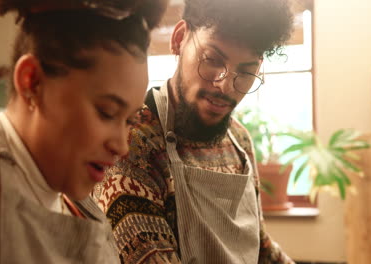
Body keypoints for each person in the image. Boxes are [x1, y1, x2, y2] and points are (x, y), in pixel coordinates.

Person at [94, 0, 296, 263]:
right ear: (179, 39)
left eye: (246, 72)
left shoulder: (240, 142)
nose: (225, 86)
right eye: (212, 60)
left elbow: (262, 248)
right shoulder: (133, 142)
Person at [0, 0, 168, 263]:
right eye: (106, 112)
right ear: (32, 82)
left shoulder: (80, 213)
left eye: (130, 120)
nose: (121, 146)